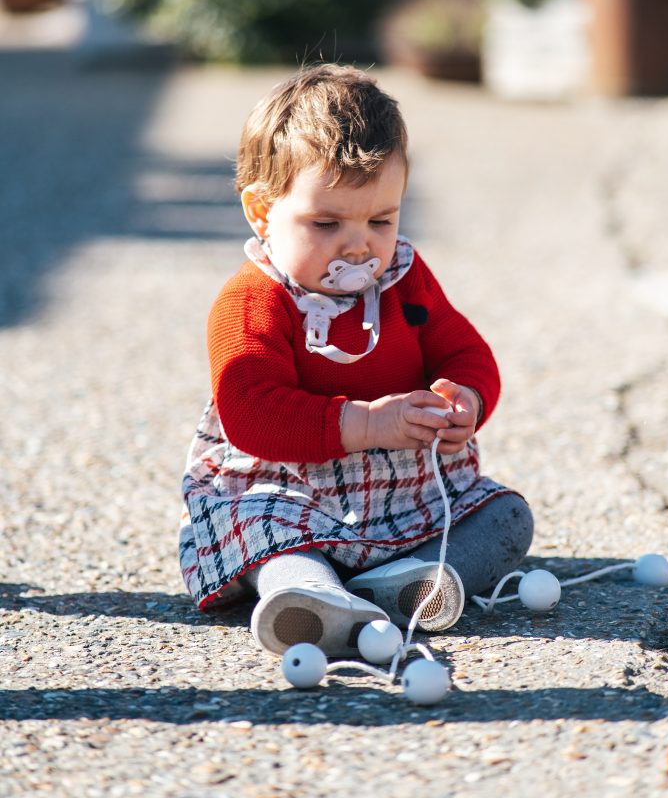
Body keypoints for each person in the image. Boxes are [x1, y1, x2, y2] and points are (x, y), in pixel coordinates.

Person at [179, 63, 533, 657]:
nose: (359, 244)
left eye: (381, 220)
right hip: (289, 489)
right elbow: (250, 412)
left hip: (406, 495)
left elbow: (465, 351)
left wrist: (465, 399)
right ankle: (308, 597)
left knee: (507, 518)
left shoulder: (404, 279)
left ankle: (409, 582)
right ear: (262, 212)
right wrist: (365, 423)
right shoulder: (254, 300)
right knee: (266, 534)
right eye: (326, 223)